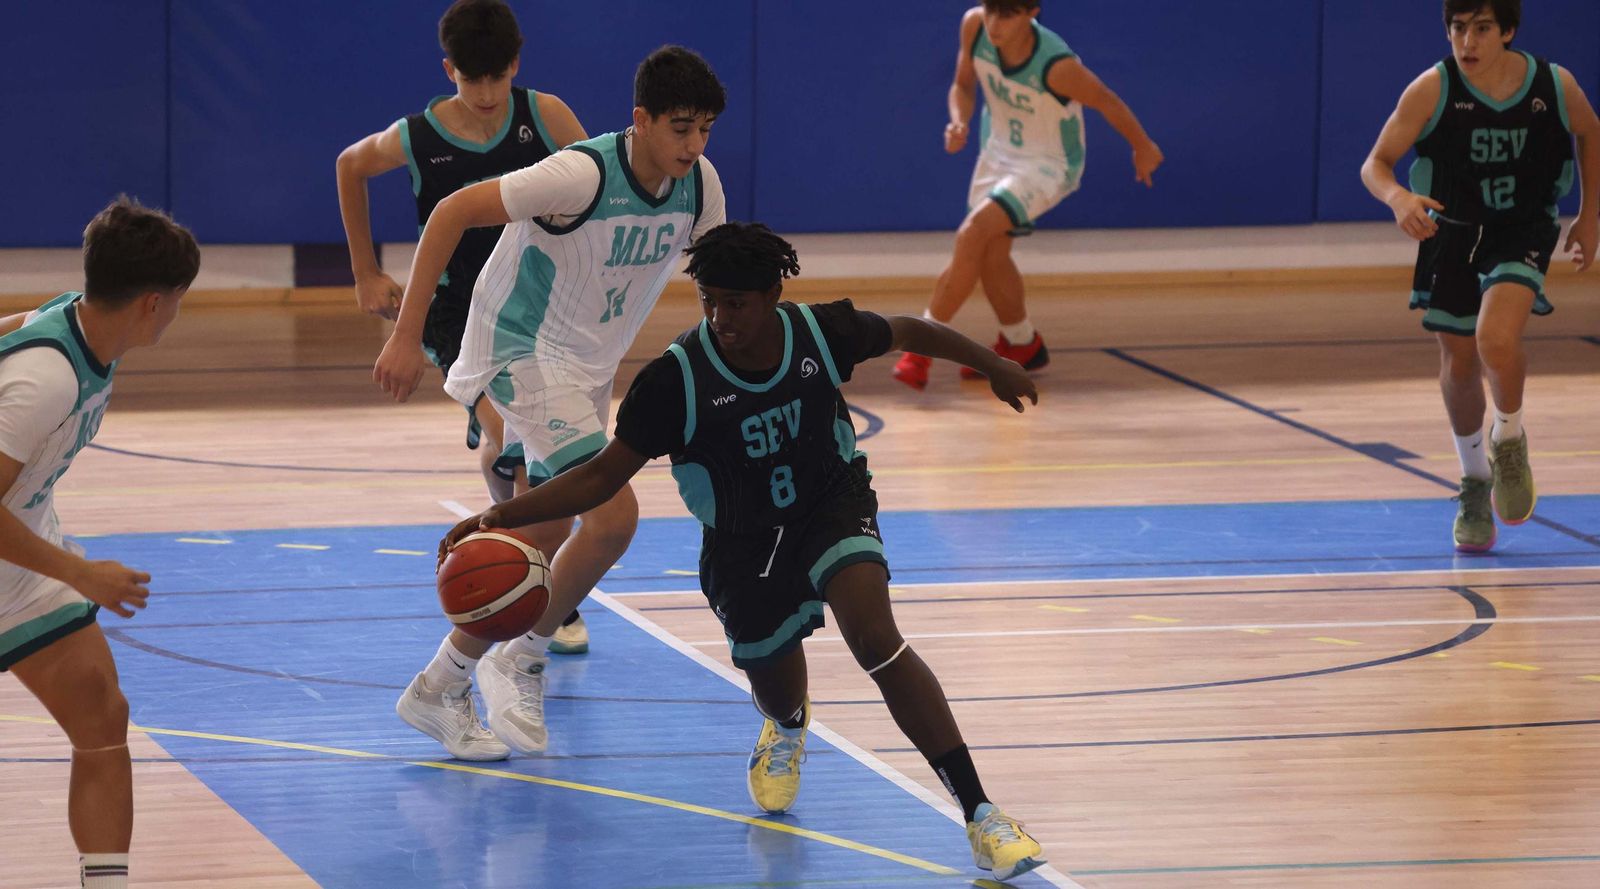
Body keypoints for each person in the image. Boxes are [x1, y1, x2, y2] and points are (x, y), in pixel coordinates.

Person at [440, 222, 1050, 881]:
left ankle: (982, 814)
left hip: (831, 502)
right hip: (742, 544)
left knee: (877, 638)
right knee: (776, 686)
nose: (720, 317)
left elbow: (906, 329)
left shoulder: (820, 333)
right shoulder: (676, 378)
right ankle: (787, 726)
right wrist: (500, 513)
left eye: (736, 302)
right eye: (708, 300)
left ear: (772, 293)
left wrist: (994, 363)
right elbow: (600, 475)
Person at [374, 45, 728, 755]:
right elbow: (448, 212)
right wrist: (407, 335)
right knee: (613, 516)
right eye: (681, 127)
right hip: (521, 352)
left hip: (587, 370)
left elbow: (720, 282)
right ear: (642, 120)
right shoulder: (581, 174)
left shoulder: (699, 186)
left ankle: (440, 683)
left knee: (544, 536)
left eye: (706, 129)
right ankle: (523, 655)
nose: (694, 144)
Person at [336, 0, 596, 761]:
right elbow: (351, 166)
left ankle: (530, 570)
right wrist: (363, 271)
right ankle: (524, 567)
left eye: (498, 77)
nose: (486, 92)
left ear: (517, 66)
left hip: (541, 306)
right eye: (471, 79)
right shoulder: (417, 137)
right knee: (501, 432)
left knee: (527, 448)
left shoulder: (544, 116)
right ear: (449, 71)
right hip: (461, 313)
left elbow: (599, 186)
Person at [0, 197, 200, 889]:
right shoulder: (47, 378)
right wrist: (82, 574)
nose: (177, 312)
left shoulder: (74, 319)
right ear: (152, 302)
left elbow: (11, 333)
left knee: (101, 712)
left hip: (19, 557)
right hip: (19, 546)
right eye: (177, 299)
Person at [1360, 0, 1598, 551]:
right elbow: (1375, 163)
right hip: (1453, 232)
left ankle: (1508, 441)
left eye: (1482, 29)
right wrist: (1397, 198)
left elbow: (1590, 133)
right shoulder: (1431, 89)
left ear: (1508, 31)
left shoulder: (1552, 84)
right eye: (1458, 28)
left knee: (1495, 338)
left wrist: (1589, 215)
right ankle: (1474, 480)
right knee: (1460, 358)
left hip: (1522, 229)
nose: (1467, 41)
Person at [894, 0, 1163, 390]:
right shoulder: (973, 26)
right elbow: (964, 84)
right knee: (990, 255)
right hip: (998, 150)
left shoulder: (1057, 65)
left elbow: (1105, 99)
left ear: (1031, 13)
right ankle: (1023, 343)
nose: (994, 24)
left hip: (1048, 163)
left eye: (1007, 14)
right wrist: (959, 120)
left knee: (973, 233)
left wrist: (1143, 146)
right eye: (990, 10)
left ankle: (920, 346)